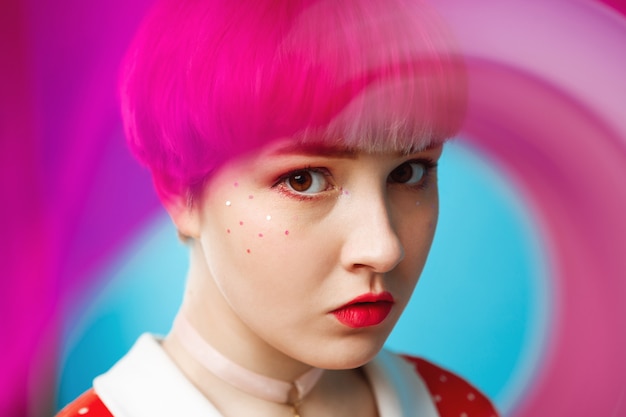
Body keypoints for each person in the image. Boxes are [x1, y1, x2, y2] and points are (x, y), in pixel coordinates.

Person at [58, 0, 499, 416]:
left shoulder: (454, 406)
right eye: (303, 179)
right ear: (178, 189)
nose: (383, 248)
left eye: (408, 172)